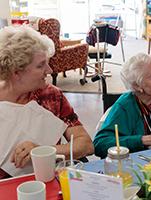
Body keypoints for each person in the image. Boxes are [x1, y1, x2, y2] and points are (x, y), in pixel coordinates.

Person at [0, 26, 94, 179]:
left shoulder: (51, 96)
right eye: (40, 65)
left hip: (49, 179)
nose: (50, 70)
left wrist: (43, 150)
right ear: (16, 72)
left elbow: (86, 145)